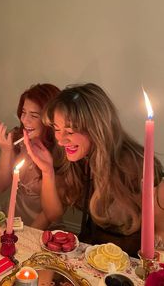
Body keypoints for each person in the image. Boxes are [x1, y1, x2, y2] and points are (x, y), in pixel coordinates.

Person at [24, 83, 164, 257]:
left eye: (69, 130)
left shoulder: (136, 166)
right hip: (90, 257)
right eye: (57, 129)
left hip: (129, 264)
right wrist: (47, 172)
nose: (60, 140)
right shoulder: (75, 159)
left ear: (97, 128)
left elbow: (159, 239)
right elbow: (53, 214)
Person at [0, 83, 63, 230]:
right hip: (10, 221)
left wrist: (24, 237)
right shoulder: (18, 140)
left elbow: (50, 215)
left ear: (50, 120)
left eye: (34, 115)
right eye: (23, 113)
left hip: (40, 231)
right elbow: (0, 187)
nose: (25, 120)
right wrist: (6, 151)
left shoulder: (61, 153)